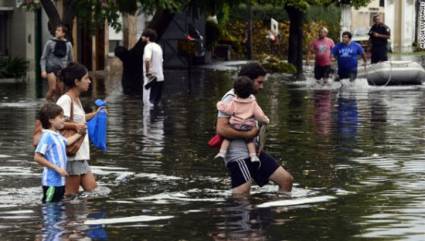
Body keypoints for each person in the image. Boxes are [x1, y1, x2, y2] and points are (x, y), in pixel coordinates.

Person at [216, 63, 293, 195]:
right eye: (259, 82)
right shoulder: (231, 97)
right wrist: (248, 135)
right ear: (248, 80)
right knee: (242, 193)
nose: (262, 86)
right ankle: (237, 214)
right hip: (238, 155)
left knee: (286, 180)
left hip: (254, 153)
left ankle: (277, 214)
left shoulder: (250, 97)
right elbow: (221, 129)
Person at [56, 63, 100, 196]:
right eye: (86, 78)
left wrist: (96, 114)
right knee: (70, 196)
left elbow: (78, 119)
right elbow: (56, 123)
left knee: (93, 191)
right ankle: (68, 216)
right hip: (72, 156)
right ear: (76, 81)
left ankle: (81, 216)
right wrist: (75, 126)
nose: (89, 81)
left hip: (80, 155)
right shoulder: (65, 99)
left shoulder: (76, 99)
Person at [34, 103, 84, 203]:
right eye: (60, 117)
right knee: (49, 208)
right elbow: (37, 157)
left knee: (57, 208)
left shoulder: (56, 135)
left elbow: (67, 142)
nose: (63, 120)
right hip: (51, 183)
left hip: (60, 182)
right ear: (51, 120)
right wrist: (57, 168)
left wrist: (80, 134)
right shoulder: (47, 136)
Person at [215, 76, 270, 166]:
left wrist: (219, 104)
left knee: (227, 139)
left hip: (235, 125)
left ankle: (222, 152)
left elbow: (227, 109)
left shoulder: (233, 101)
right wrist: (266, 120)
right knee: (249, 141)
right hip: (247, 127)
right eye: (259, 82)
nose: (261, 87)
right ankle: (253, 156)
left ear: (236, 91)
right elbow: (259, 115)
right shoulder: (252, 102)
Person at [40, 24, 73, 102]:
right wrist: (43, 70)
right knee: (53, 88)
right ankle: (46, 103)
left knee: (61, 91)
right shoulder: (49, 42)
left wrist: (70, 71)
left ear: (63, 33)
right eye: (56, 30)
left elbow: (70, 59)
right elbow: (43, 58)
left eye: (58, 30)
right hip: (51, 68)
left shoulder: (68, 44)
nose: (56, 32)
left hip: (62, 70)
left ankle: (57, 106)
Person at [141, 28, 164, 106]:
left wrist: (147, 73)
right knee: (156, 104)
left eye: (143, 36)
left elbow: (147, 59)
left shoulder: (148, 47)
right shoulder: (158, 47)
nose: (142, 38)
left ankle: (149, 118)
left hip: (151, 79)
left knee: (148, 103)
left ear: (148, 38)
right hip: (160, 78)